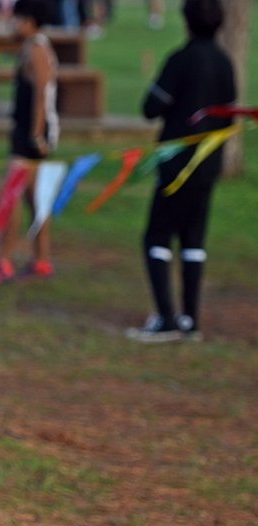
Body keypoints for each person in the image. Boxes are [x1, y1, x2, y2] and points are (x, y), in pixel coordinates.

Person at [126, 0, 235, 343]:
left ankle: (167, 319)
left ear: (186, 21)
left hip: (177, 164)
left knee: (157, 236)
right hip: (208, 165)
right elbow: (228, 117)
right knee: (193, 239)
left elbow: (151, 107)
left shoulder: (181, 59)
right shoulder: (225, 63)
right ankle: (190, 319)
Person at [0, 0, 59, 285]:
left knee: (10, 196)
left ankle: (3, 261)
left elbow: (42, 94)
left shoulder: (36, 49)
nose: (12, 24)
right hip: (29, 132)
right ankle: (42, 260)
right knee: (36, 200)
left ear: (30, 21)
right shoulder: (31, 46)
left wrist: (36, 134)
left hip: (30, 135)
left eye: (17, 19)